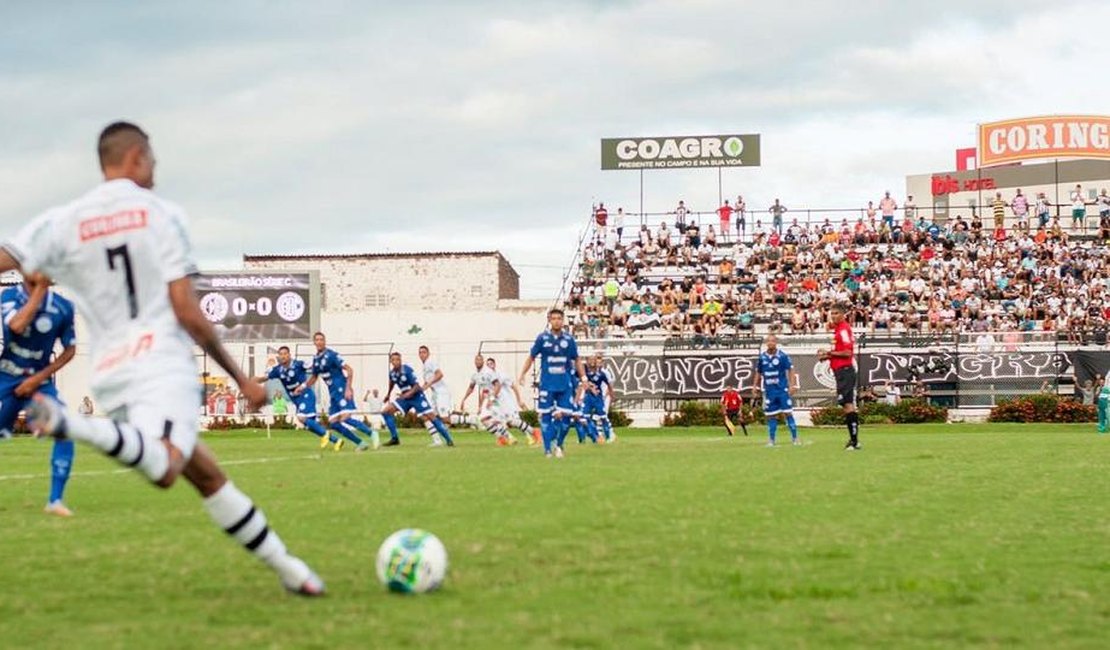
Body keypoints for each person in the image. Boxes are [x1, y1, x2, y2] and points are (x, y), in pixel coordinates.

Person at [11, 121, 323, 595]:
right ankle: (70, 423)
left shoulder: (65, 220)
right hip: (160, 363)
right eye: (153, 158)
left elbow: (12, 257)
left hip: (112, 372)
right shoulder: (161, 214)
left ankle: (291, 572)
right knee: (168, 467)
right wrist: (241, 378)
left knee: (206, 474)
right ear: (135, 157)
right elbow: (186, 311)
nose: (156, 168)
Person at [0, 274, 78, 516]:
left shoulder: (64, 307)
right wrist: (40, 290)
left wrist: (37, 377)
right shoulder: (10, 296)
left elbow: (71, 349)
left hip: (38, 382)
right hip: (7, 376)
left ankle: (55, 501)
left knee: (64, 428)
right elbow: (16, 326)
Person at [518, 308, 586, 459]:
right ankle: (548, 449)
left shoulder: (569, 340)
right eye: (553, 318)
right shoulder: (542, 338)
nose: (556, 321)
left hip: (564, 384)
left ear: (563, 321)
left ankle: (559, 443)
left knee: (567, 419)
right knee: (546, 417)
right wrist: (522, 373)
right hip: (547, 384)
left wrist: (584, 378)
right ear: (549, 320)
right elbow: (531, 356)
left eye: (559, 318)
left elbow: (577, 359)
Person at [253, 345, 345, 450]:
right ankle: (336, 441)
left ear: (289, 355)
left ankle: (326, 434)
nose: (283, 356)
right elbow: (264, 378)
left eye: (285, 354)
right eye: (281, 354)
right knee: (309, 425)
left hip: (306, 395)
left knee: (301, 417)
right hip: (296, 399)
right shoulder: (277, 370)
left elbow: (314, 366)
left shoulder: (298, 364)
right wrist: (255, 380)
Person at [300, 332, 377, 450]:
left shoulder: (332, 355)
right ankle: (361, 443)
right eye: (317, 340)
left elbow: (349, 369)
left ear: (325, 341)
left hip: (342, 390)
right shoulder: (316, 359)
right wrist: (303, 387)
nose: (320, 342)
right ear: (314, 342)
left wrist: (348, 388)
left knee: (345, 418)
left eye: (322, 339)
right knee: (333, 423)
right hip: (333, 394)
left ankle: (372, 433)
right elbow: (314, 377)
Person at [382, 352, 455, 447]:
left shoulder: (407, 370)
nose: (396, 361)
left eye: (398, 359)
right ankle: (395, 438)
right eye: (393, 360)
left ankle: (448, 439)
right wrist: (388, 394)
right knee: (386, 412)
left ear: (401, 360)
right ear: (390, 361)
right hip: (405, 398)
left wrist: (408, 394)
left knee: (431, 417)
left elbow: (416, 386)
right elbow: (391, 383)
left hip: (416, 396)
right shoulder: (392, 373)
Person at [818, 303, 861, 450]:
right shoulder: (838, 330)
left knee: (847, 404)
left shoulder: (843, 330)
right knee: (846, 404)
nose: (833, 316)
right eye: (832, 313)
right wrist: (827, 357)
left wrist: (829, 353)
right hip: (840, 371)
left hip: (845, 371)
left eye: (836, 313)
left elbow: (848, 353)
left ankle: (854, 441)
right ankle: (854, 440)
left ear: (843, 315)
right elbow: (840, 352)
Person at [754, 335, 800, 446]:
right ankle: (771, 439)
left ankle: (795, 438)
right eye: (768, 341)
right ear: (766, 343)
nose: (770, 343)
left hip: (782, 390)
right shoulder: (762, 357)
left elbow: (791, 369)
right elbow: (758, 372)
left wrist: (792, 385)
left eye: (772, 341)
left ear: (776, 342)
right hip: (769, 391)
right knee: (771, 415)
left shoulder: (782, 356)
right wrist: (755, 386)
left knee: (788, 413)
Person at [486, 357, 542, 446]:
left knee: (513, 421)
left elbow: (513, 386)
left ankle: (534, 433)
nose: (490, 366)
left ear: (495, 364)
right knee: (497, 421)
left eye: (491, 363)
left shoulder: (501, 375)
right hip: (497, 404)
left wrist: (519, 400)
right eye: (488, 364)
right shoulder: (488, 377)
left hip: (507, 402)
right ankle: (505, 439)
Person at [459, 354, 514, 445]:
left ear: (483, 361)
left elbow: (497, 385)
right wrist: (464, 399)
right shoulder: (475, 375)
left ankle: (508, 437)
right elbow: (471, 387)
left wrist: (492, 398)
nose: (478, 361)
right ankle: (502, 438)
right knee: (485, 420)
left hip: (496, 398)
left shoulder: (488, 372)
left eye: (480, 359)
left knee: (493, 419)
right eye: (476, 360)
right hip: (487, 399)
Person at [582, 353, 616, 443]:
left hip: (598, 398)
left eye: (594, 360)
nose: (593, 362)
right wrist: (590, 386)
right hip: (588, 397)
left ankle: (609, 435)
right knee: (585, 418)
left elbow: (610, 384)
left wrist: (611, 395)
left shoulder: (602, 374)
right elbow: (582, 381)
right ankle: (594, 436)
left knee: (603, 417)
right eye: (591, 360)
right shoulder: (585, 372)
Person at [418, 345, 452, 421]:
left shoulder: (430, 362)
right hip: (435, 393)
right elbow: (426, 382)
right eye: (420, 353)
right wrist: (419, 390)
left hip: (441, 392)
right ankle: (438, 432)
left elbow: (440, 374)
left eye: (424, 352)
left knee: (444, 417)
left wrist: (429, 384)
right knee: (433, 415)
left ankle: (466, 419)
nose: (422, 354)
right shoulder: (424, 366)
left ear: (428, 354)